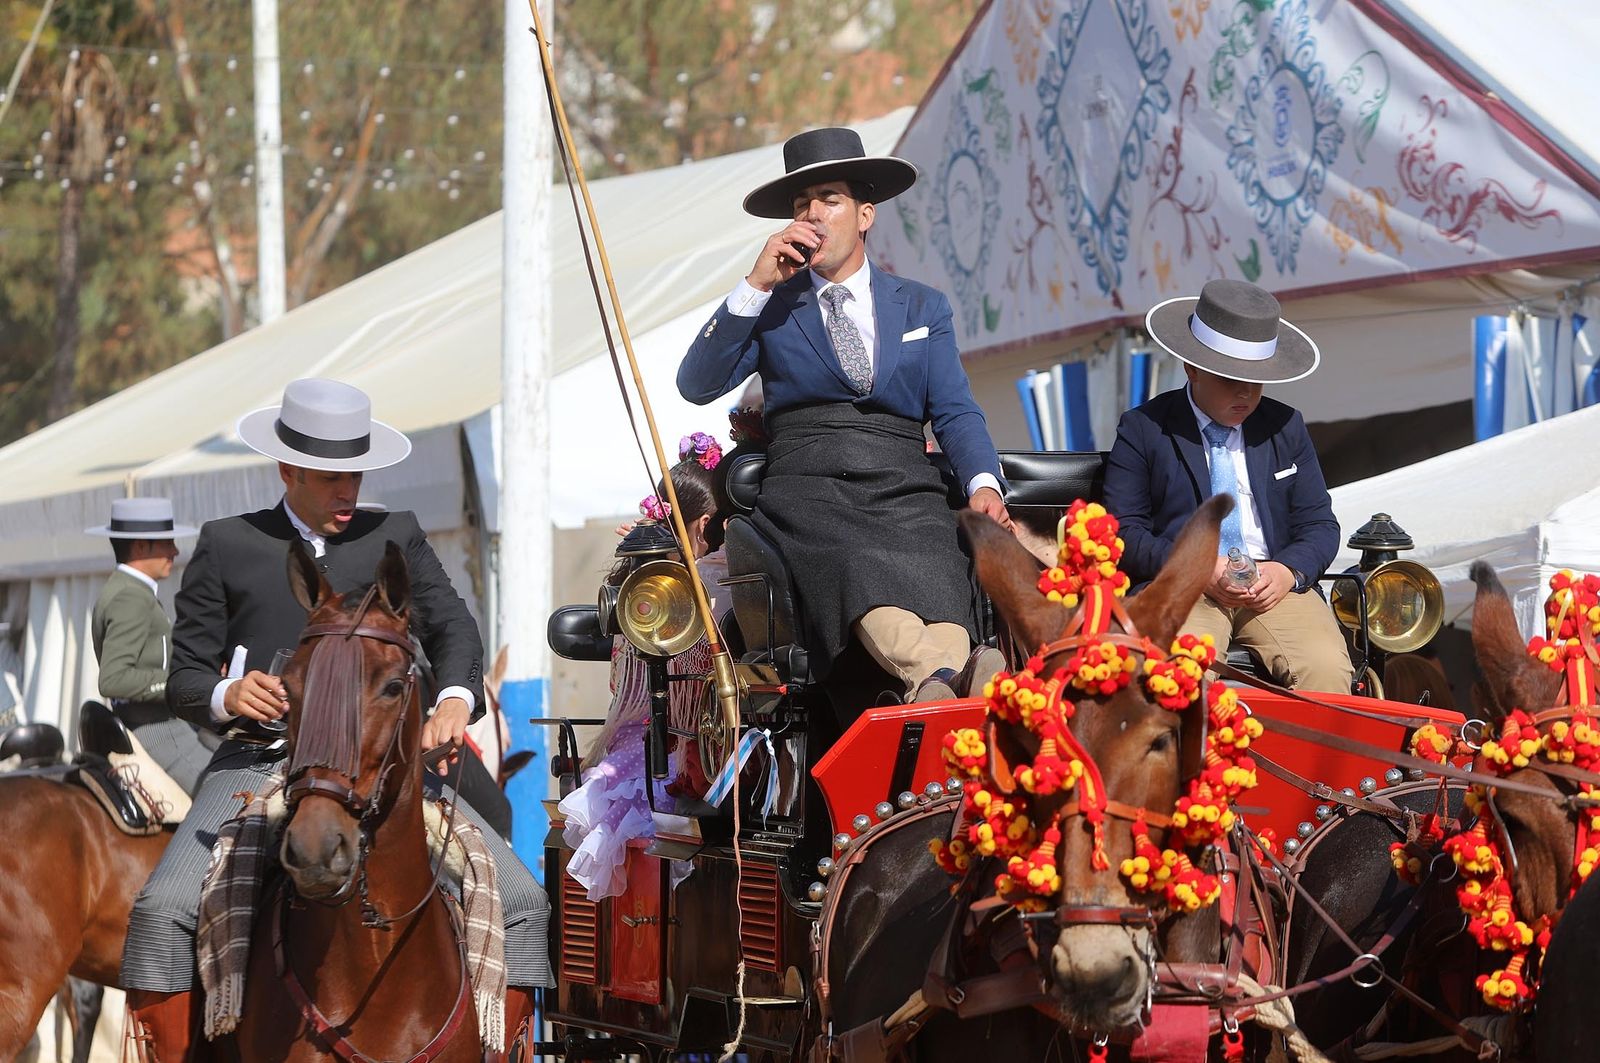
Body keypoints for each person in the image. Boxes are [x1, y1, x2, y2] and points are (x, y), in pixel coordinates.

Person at [123, 378, 551, 1060]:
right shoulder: (228, 543)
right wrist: (228, 695)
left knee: (525, 898)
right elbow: (186, 674)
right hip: (260, 763)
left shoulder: (397, 535)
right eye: (330, 476)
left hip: (382, 765)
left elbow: (456, 633)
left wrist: (452, 701)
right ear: (288, 468)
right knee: (162, 909)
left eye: (354, 473)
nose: (347, 489)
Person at [677, 126, 1008, 706]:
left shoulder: (922, 305)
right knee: (853, 556)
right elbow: (696, 383)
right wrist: (754, 286)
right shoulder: (773, 305)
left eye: (829, 199)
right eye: (802, 206)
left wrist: (983, 484)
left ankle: (941, 678)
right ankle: (946, 675)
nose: (813, 215)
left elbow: (954, 408)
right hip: (811, 486)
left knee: (939, 552)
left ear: (865, 215)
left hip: (906, 481)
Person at [1104, 279, 1352, 693]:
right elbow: (1124, 532)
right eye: (1230, 379)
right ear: (1192, 367)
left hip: (1273, 586)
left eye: (1257, 381)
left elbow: (1320, 526)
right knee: (1176, 678)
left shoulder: (1285, 426)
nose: (1246, 393)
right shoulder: (1143, 428)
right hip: (1184, 587)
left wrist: (1287, 571)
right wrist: (1199, 567)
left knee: (1327, 670)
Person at [560, 436, 728, 900]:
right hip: (681, 745)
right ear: (708, 523)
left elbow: (621, 684)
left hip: (656, 744)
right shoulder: (690, 588)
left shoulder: (642, 587)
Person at [86, 496, 212, 794]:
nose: (175, 551)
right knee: (229, 797)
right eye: (167, 543)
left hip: (155, 723)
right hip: (155, 729)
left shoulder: (125, 589)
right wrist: (180, 681)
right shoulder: (131, 597)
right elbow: (114, 679)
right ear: (142, 546)